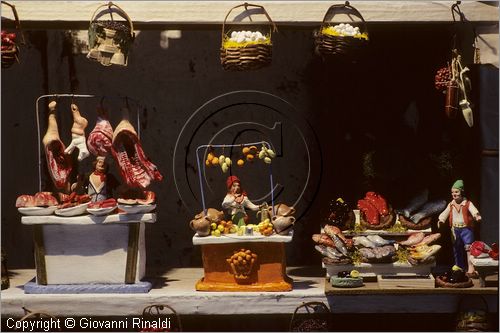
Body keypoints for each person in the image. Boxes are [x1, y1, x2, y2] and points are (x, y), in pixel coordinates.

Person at [438, 179, 482, 278]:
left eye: (456, 192)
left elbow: (474, 210)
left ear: (461, 192)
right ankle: (459, 265)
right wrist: (441, 220)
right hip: (455, 229)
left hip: (466, 229)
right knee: (457, 248)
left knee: (469, 248)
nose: (454, 194)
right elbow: (445, 213)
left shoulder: (467, 203)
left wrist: (476, 216)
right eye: (452, 192)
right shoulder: (451, 204)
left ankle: (471, 268)